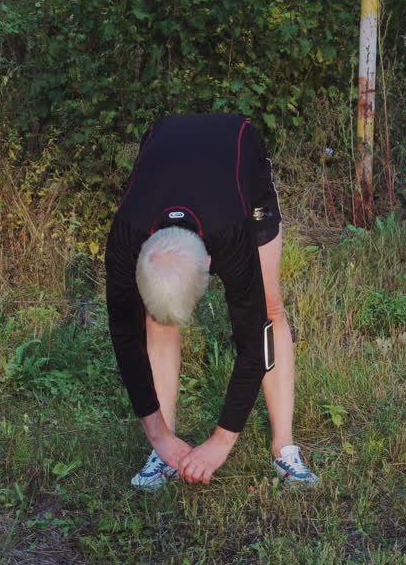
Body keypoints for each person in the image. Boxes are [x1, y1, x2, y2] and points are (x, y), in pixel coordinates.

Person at [105, 113, 319, 491]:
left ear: (210, 263)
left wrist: (221, 441)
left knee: (269, 306)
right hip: (166, 153)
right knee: (157, 319)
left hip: (235, 151)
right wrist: (160, 437)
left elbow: (254, 339)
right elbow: (124, 335)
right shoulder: (126, 234)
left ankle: (284, 447)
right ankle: (161, 455)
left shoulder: (231, 236)